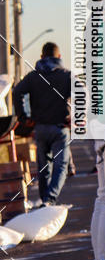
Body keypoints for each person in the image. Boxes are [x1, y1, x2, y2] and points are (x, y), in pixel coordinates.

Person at [13, 42, 71, 206]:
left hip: (40, 128)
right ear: (59, 56)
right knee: (61, 165)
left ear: (41, 57)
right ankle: (49, 199)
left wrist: (23, 118)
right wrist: (76, 117)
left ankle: (44, 199)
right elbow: (83, 93)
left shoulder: (33, 76)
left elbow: (17, 92)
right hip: (60, 128)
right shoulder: (67, 75)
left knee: (43, 166)